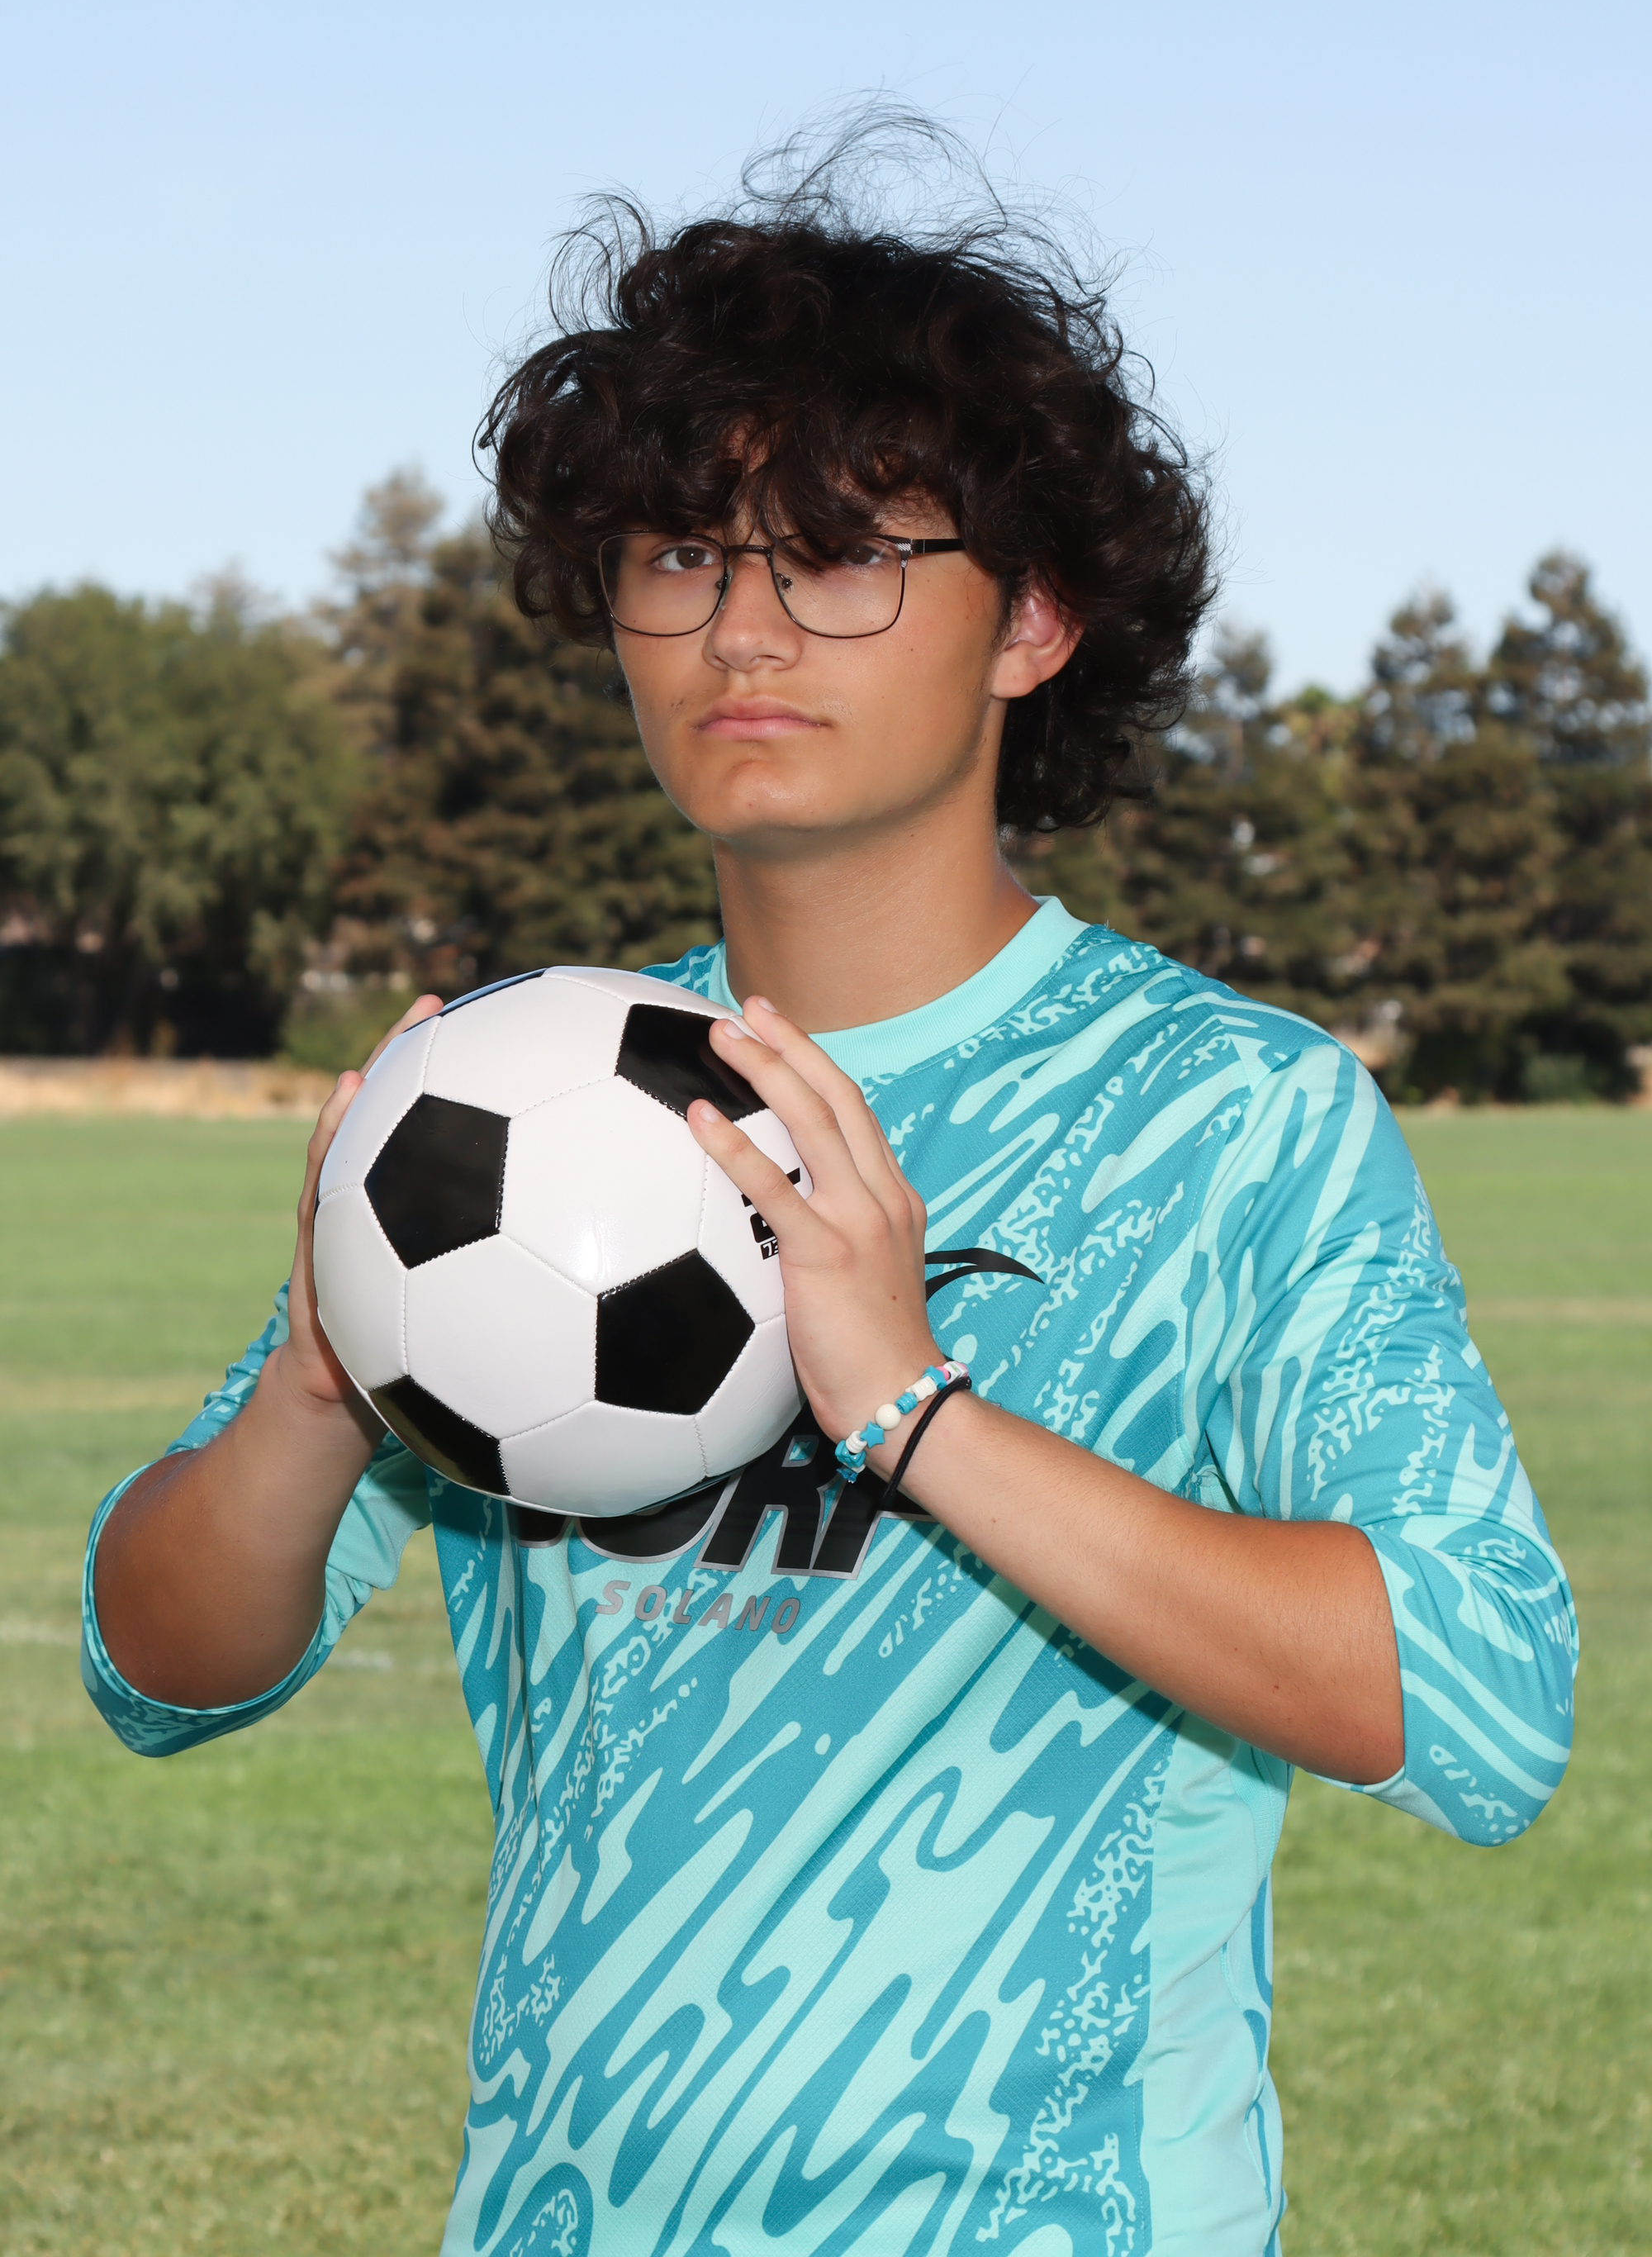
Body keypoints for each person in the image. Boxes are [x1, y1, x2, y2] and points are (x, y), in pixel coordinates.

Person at [83, 140, 1576, 2257]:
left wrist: (911, 1406)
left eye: (847, 554)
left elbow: (1484, 1701)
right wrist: (318, 1388)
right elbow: (158, 1666)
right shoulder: (514, 1103)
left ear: (1033, 619)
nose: (744, 627)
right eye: (682, 553)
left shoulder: (1239, 1118)